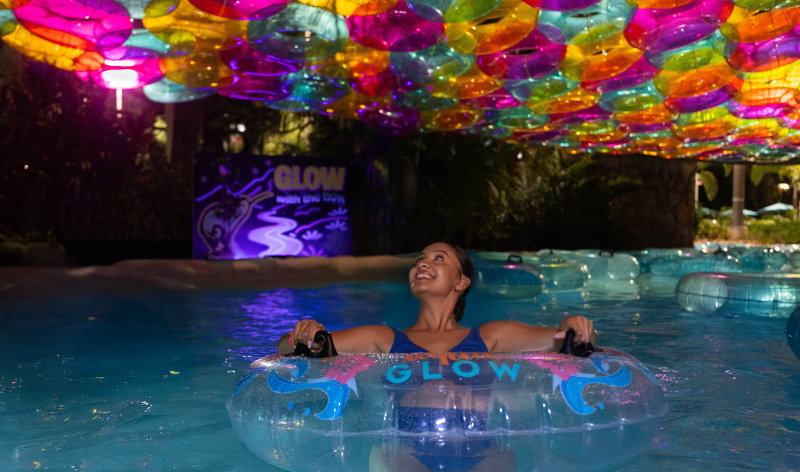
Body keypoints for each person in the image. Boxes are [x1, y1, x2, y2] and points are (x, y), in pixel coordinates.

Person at [277, 242, 596, 355]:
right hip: (407, 451)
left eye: (438, 258)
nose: (421, 264)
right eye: (419, 260)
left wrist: (573, 325)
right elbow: (284, 346)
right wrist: (302, 335)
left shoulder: (491, 336)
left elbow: (565, 340)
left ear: (462, 281)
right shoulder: (384, 339)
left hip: (480, 451)